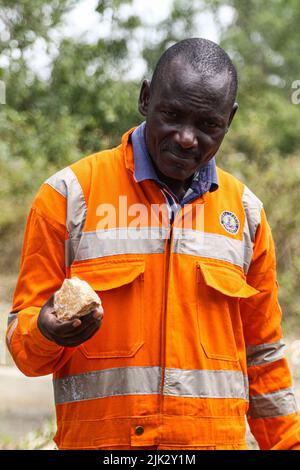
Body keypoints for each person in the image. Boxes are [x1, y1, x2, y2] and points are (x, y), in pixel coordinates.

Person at [6, 38, 300, 450]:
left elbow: (264, 357)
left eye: (207, 125)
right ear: (146, 98)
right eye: (173, 115)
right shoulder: (69, 197)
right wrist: (48, 331)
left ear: (228, 120)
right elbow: (25, 349)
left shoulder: (246, 214)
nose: (185, 138)